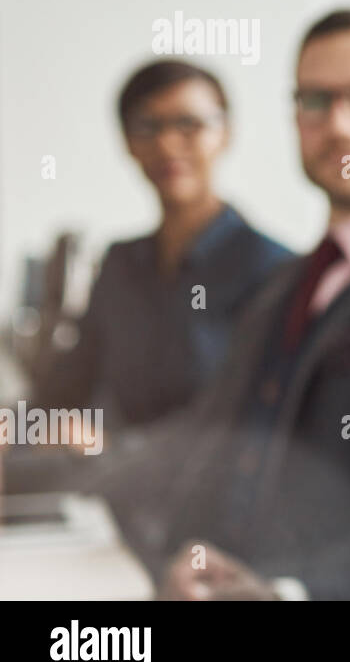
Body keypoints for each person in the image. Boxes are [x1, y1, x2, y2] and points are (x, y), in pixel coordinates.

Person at [106, 9, 350, 600]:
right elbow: (212, 442)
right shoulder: (287, 286)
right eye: (315, 101)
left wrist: (286, 593)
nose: (340, 126)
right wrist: (182, 558)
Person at [27, 59, 291, 428]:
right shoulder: (120, 263)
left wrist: (109, 449)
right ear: (128, 143)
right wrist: (34, 429)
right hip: (108, 476)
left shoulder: (274, 271)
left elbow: (253, 427)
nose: (167, 144)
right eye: (148, 126)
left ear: (225, 134)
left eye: (189, 124)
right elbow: (61, 394)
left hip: (203, 480)